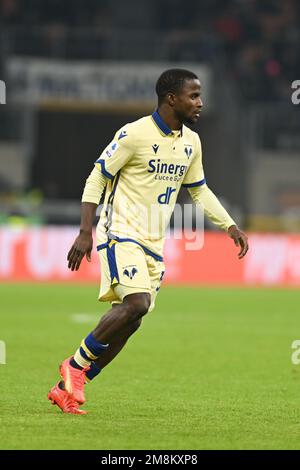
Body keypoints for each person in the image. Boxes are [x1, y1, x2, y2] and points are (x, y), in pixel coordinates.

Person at [47, 68, 248, 414]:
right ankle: (75, 366)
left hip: (154, 243)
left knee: (131, 319)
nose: (200, 103)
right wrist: (85, 231)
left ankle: (66, 387)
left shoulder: (191, 143)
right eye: (194, 96)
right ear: (172, 99)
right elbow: (97, 177)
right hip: (121, 233)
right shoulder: (134, 134)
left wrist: (229, 225)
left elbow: (198, 191)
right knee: (137, 303)